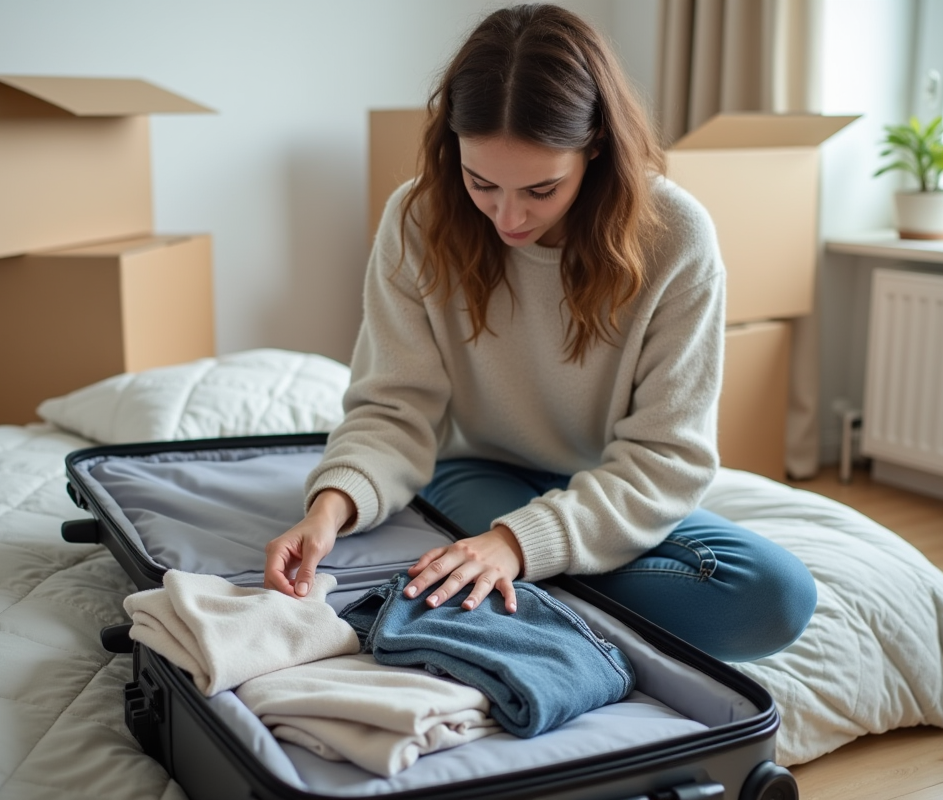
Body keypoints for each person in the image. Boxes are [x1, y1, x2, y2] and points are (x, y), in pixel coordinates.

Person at [264, 3, 816, 662]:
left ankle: (523, 591)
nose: (508, 217)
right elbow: (393, 407)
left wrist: (516, 546)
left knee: (773, 596)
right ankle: (525, 590)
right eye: (481, 183)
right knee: (495, 551)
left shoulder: (675, 236)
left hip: (608, 484)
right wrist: (330, 508)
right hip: (474, 472)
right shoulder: (417, 221)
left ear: (596, 147)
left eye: (541, 189)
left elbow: (668, 457)